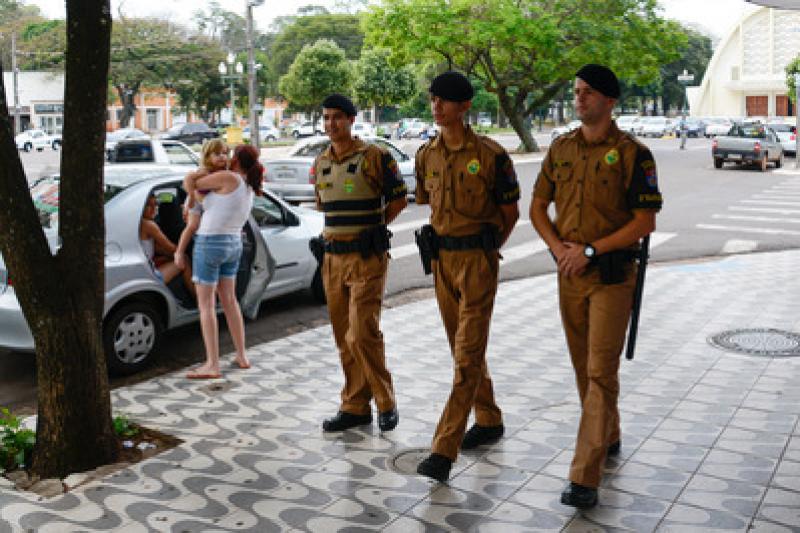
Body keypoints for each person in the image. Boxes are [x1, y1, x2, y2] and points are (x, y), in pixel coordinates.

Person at [530, 64, 663, 508]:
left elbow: (645, 221)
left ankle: (584, 476)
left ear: (609, 101)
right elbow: (536, 207)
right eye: (577, 91)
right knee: (583, 370)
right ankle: (610, 431)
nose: (579, 99)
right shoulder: (562, 148)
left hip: (611, 277)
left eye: (588, 93)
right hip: (569, 274)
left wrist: (589, 250)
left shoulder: (633, 153)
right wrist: (558, 250)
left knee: (600, 371)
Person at [414, 71, 520, 483]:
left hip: (477, 261)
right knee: (465, 349)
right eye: (434, 98)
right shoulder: (427, 155)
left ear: (465, 106)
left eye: (445, 100)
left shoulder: (492, 156)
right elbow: (428, 204)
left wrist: (489, 249)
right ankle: (489, 418)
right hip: (442, 264)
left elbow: (510, 212)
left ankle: (445, 447)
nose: (436, 106)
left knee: (466, 354)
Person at [313, 93, 408, 433]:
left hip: (366, 258)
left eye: (337, 117)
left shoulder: (375, 156)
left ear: (352, 120)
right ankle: (354, 405)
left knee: (362, 331)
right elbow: (323, 206)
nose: (331, 124)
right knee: (343, 335)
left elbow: (399, 200)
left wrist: (376, 226)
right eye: (325, 118)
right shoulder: (320, 161)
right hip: (332, 259)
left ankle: (385, 401)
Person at [183, 144, 262, 379]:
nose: (225, 158)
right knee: (230, 301)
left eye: (229, 155)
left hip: (209, 243)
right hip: (233, 243)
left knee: (206, 305)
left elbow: (190, 183)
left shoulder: (228, 177)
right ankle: (241, 355)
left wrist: (192, 188)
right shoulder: (248, 184)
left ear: (236, 160)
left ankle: (212, 365)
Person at [174, 139, 229, 275]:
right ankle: (179, 252)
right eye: (217, 154)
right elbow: (188, 179)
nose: (222, 156)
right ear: (208, 157)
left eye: (224, 153)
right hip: (195, 202)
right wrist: (192, 198)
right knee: (192, 226)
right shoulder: (205, 171)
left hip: (206, 204)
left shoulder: (226, 173)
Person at [140, 193, 197, 300]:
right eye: (148, 206)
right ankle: (198, 300)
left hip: (144, 268)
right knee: (184, 259)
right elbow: (170, 247)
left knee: (174, 257)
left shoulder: (140, 223)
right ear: (141, 208)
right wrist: (187, 249)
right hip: (149, 275)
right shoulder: (149, 225)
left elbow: (158, 249)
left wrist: (172, 255)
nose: (153, 209)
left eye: (155, 205)